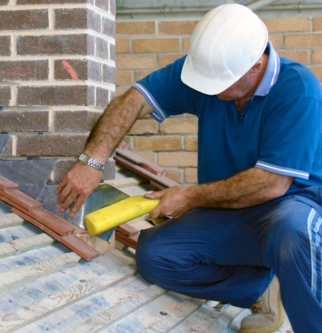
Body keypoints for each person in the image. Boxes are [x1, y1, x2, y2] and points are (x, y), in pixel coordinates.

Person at [56, 4, 322, 333]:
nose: (209, 91)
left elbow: (271, 184)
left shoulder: (298, 90)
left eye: (220, 84)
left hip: (290, 207)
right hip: (229, 208)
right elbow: (135, 98)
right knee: (155, 255)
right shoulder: (208, 73)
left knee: (292, 233)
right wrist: (93, 160)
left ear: (255, 65)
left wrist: (190, 197)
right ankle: (260, 289)